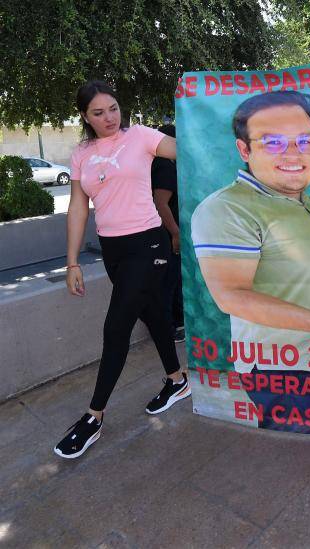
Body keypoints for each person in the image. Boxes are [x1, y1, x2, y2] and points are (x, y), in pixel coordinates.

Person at [191, 91, 310, 437]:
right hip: (291, 374)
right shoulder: (228, 208)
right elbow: (230, 296)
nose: (293, 153)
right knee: (308, 470)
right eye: (273, 142)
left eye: (306, 141)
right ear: (244, 150)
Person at [56, 80, 185, 459]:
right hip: (113, 249)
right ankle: (177, 381)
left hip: (148, 244)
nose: (109, 117)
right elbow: (78, 207)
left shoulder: (143, 136)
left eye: (113, 108)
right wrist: (72, 261)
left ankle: (93, 417)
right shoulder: (81, 152)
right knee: (154, 315)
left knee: (116, 328)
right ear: (84, 117)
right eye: (98, 112)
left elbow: (188, 151)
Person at [151, 123, 184, 343]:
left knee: (171, 281)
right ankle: (170, 329)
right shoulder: (164, 166)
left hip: (163, 233)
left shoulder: (163, 164)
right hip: (165, 235)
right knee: (169, 282)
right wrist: (175, 233)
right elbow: (161, 203)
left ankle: (173, 325)